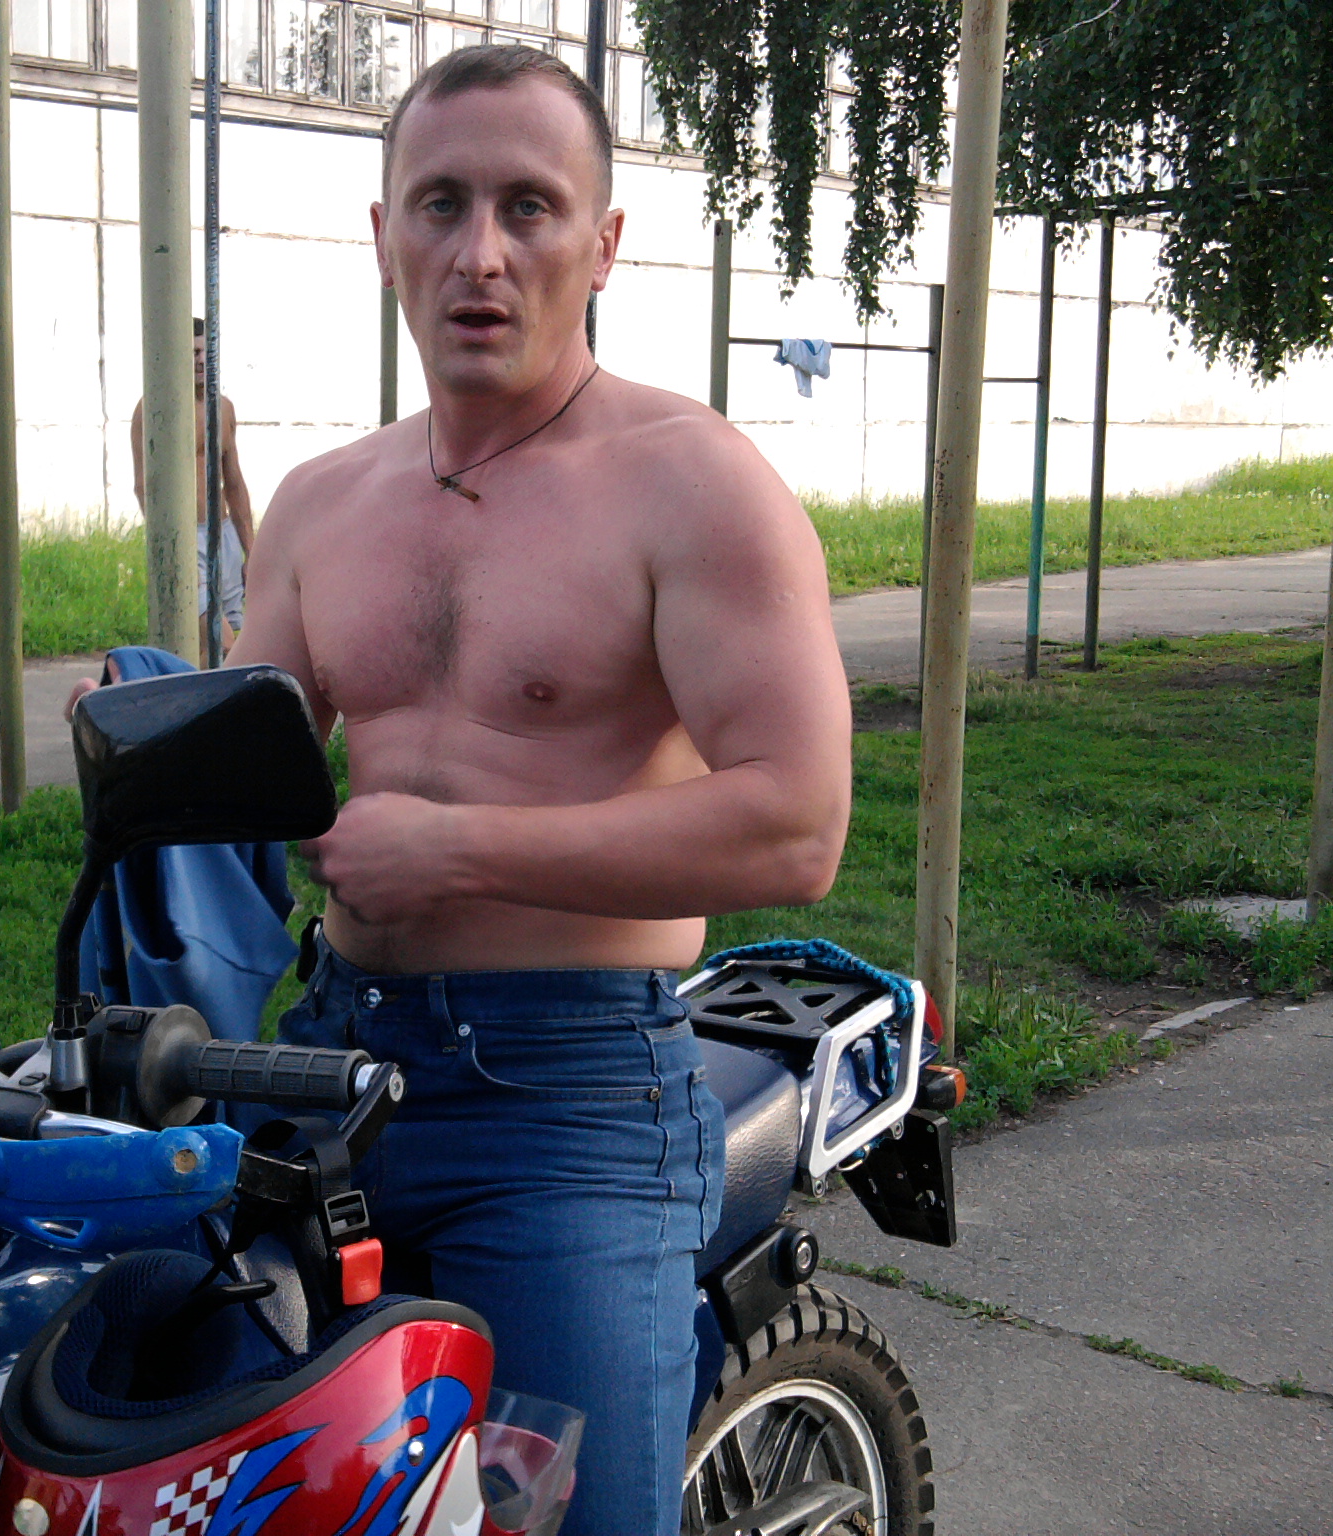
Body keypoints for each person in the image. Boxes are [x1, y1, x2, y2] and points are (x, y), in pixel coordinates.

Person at [227, 46, 853, 1536]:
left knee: (560, 1522)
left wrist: (461, 853)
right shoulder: (319, 502)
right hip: (330, 1066)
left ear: (605, 243)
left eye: (528, 206)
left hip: (569, 1102)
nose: (481, 255)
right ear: (382, 233)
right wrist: (152, 734)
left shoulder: (692, 484)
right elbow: (259, 770)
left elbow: (795, 821)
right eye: (440, 204)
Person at [130, 318, 255, 660]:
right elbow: (143, 486)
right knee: (223, 643)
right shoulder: (153, 409)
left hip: (223, 537)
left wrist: (251, 551)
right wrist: (174, 547)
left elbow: (234, 484)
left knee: (213, 652)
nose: (200, 361)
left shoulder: (224, 408)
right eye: (191, 353)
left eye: (204, 352)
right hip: (186, 540)